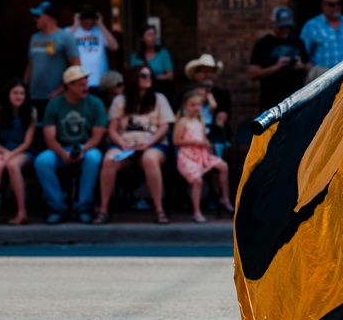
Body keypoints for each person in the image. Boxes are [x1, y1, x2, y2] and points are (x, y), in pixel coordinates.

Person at [97, 66, 176, 224]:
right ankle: (103, 209)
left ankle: (159, 209)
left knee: (150, 160)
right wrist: (122, 144)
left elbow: (164, 127)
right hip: (125, 145)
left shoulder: (159, 99)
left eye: (149, 75)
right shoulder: (120, 101)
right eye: (143, 75)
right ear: (134, 78)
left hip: (154, 144)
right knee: (109, 160)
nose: (148, 78)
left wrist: (149, 143)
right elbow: (112, 129)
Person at [34, 66, 107, 225]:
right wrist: (63, 154)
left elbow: (97, 136)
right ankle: (57, 207)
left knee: (94, 158)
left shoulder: (95, 103)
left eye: (86, 83)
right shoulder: (54, 105)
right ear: (69, 86)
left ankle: (84, 207)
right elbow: (49, 138)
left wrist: (82, 149)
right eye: (81, 85)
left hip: (86, 147)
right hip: (60, 149)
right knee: (42, 161)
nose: (86, 87)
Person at [0, 79, 37, 228]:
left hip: (22, 151)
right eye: (15, 93)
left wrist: (11, 154)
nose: (19, 96)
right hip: (2, 149)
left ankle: (22, 213)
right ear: (8, 95)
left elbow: (27, 142)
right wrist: (6, 152)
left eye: (22, 93)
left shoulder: (31, 112)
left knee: (12, 166)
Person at [173, 89, 234, 223]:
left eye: (198, 105)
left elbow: (203, 138)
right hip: (187, 156)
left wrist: (205, 143)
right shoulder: (182, 122)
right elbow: (176, 141)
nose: (196, 108)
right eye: (192, 105)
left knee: (223, 166)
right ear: (185, 106)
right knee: (197, 180)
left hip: (201, 154)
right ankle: (197, 211)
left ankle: (224, 198)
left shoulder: (200, 121)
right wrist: (194, 142)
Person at [25, 0, 80, 119]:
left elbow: (76, 67)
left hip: (55, 97)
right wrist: (24, 88)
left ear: (48, 18)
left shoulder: (66, 37)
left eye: (38, 16)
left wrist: (62, 90)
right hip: (34, 96)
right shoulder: (34, 38)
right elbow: (30, 65)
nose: (35, 20)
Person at [249, 6, 309, 114]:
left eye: (287, 26)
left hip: (295, 97)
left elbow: (309, 66)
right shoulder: (263, 44)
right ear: (272, 23)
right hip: (271, 100)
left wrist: (301, 66)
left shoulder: (297, 41)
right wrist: (277, 66)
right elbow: (253, 73)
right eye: (281, 26)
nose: (284, 29)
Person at [183, 53, 231, 159]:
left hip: (214, 137)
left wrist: (206, 141)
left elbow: (220, 122)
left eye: (211, 71)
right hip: (190, 137)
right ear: (196, 74)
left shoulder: (222, 95)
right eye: (204, 71)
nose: (208, 74)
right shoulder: (186, 95)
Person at [68, 3, 119, 95]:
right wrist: (76, 24)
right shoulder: (71, 30)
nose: (89, 22)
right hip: (79, 80)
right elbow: (64, 43)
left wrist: (100, 24)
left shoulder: (100, 31)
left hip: (99, 80)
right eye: (86, 19)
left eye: (91, 19)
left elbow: (114, 47)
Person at [129, 24, 175, 100]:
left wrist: (152, 78)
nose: (153, 38)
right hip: (140, 93)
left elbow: (170, 75)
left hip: (159, 91)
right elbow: (132, 76)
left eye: (154, 35)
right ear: (142, 38)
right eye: (150, 35)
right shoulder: (135, 56)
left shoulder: (163, 53)